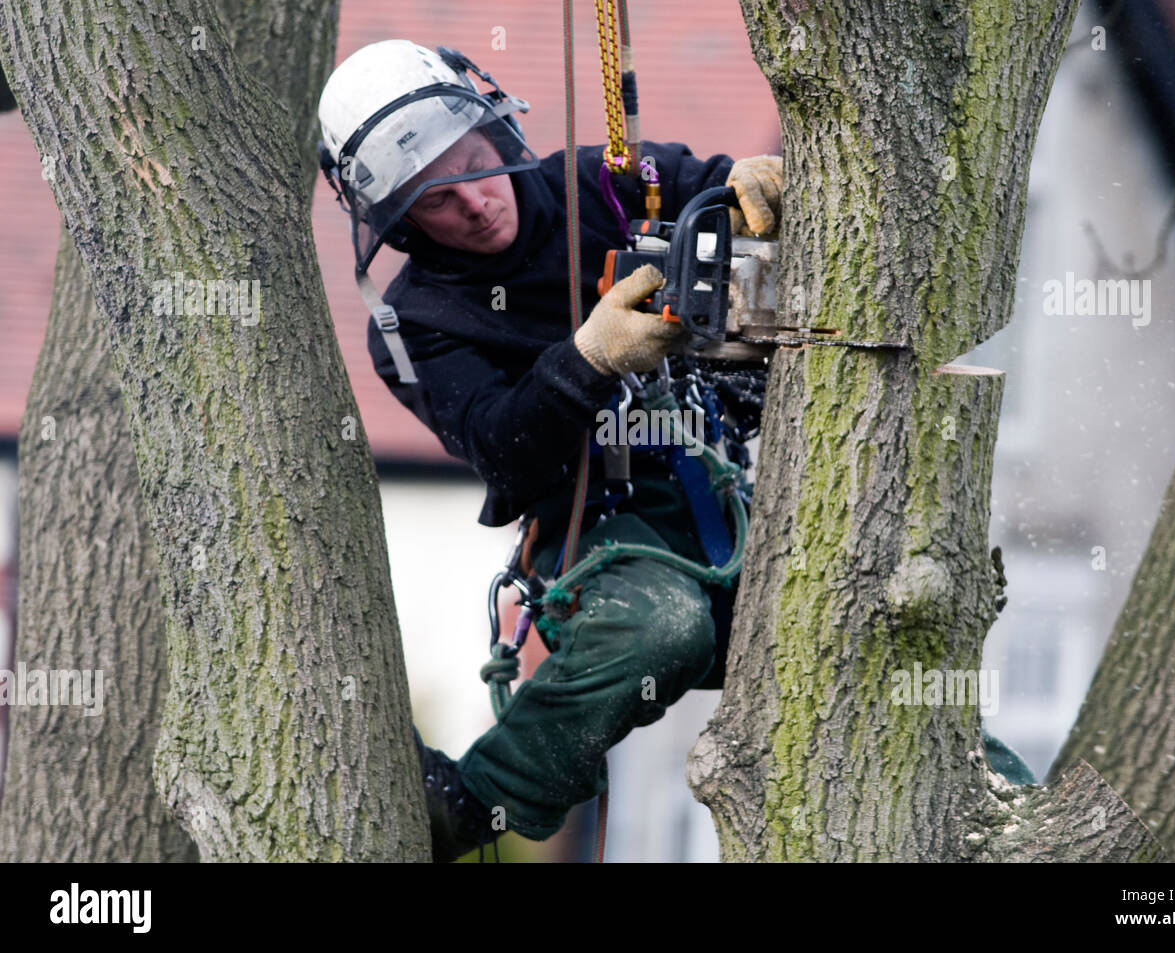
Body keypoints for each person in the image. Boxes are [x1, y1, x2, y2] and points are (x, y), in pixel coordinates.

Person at [318, 40, 1033, 862]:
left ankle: (1007, 815)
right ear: (402, 221)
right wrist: (586, 360)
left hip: (726, 496)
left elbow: (717, 187)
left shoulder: (610, 185)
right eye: (437, 198)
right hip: (610, 540)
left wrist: (759, 185)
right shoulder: (419, 323)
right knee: (659, 628)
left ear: (499, 139)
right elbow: (503, 451)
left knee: (869, 624)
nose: (475, 202)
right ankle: (480, 801)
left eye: (475, 165)